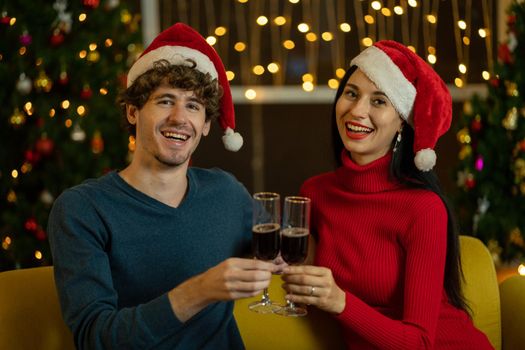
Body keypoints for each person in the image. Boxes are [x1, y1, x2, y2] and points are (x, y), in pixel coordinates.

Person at [47, 23, 278, 349]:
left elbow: (273, 248)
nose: (179, 118)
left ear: (207, 125)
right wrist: (199, 290)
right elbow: (95, 338)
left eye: (194, 106)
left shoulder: (227, 192)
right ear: (132, 111)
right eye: (165, 101)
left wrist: (276, 259)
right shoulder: (83, 209)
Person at [281, 41, 494, 349]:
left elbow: (420, 342)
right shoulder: (315, 193)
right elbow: (306, 263)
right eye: (351, 93)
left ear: (402, 125)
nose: (357, 111)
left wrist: (339, 301)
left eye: (379, 101)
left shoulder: (423, 208)